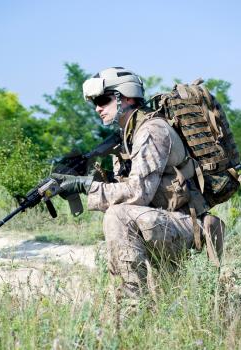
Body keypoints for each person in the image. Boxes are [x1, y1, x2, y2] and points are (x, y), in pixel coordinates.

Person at [38, 67, 224, 301]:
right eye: (95, 102)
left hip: (190, 225)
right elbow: (127, 189)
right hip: (166, 221)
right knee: (172, 296)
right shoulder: (126, 136)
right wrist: (82, 181)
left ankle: (132, 303)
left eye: (103, 100)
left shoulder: (151, 131)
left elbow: (138, 194)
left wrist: (84, 186)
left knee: (118, 215)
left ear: (124, 97)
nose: (97, 108)